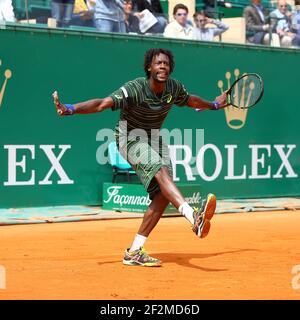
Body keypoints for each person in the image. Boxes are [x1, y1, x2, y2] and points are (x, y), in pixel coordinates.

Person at [52, 48, 227, 267]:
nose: (163, 66)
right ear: (149, 68)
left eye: (166, 64)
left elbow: (191, 100)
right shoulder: (134, 88)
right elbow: (102, 104)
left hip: (154, 138)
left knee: (163, 194)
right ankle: (194, 218)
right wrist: (70, 109)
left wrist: (215, 105)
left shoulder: (173, 88)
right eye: (158, 63)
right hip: (129, 137)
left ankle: (134, 251)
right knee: (160, 170)